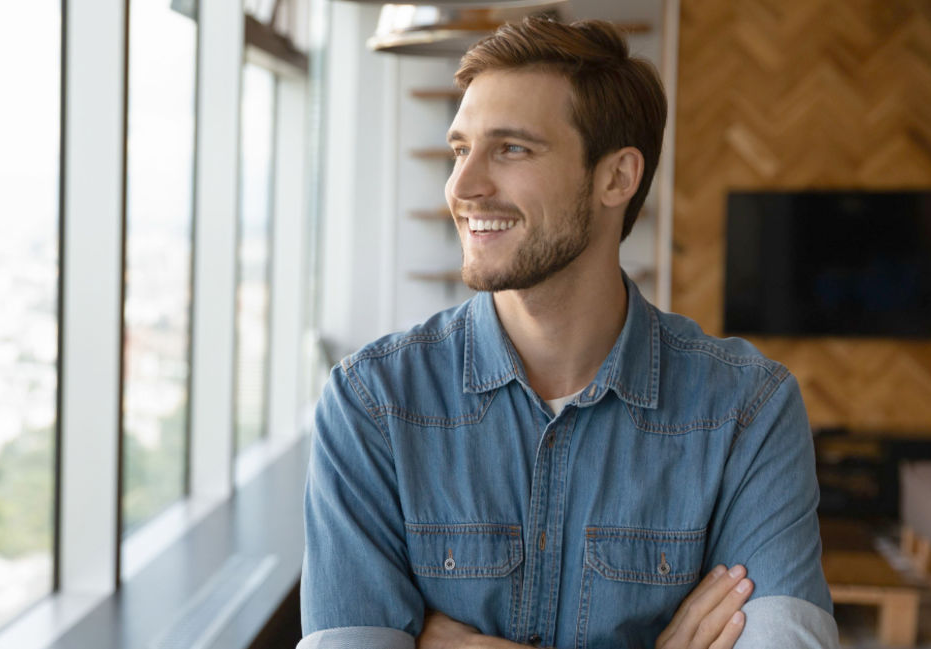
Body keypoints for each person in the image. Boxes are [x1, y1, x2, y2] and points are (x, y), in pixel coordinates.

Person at [299, 16, 839, 649]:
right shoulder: (372, 403)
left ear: (617, 177)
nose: (463, 186)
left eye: (512, 149)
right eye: (460, 149)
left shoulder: (748, 410)